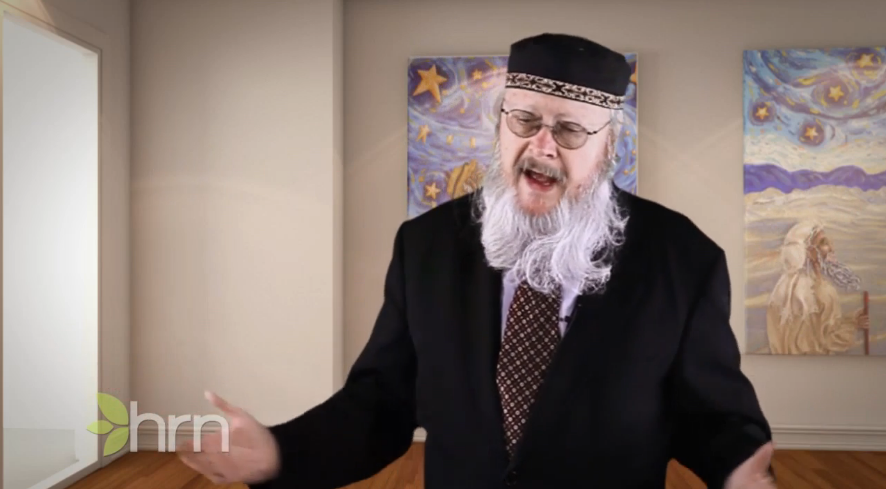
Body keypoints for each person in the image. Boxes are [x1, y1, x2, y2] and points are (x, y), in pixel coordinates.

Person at [178, 33, 776, 489]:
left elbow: (712, 414)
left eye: (570, 130)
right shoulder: (426, 246)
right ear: (501, 127)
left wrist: (739, 468)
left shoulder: (681, 258)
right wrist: (280, 452)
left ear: (608, 145)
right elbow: (382, 403)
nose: (542, 145)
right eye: (525, 120)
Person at [767, 220, 870, 354]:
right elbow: (829, 340)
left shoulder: (781, 288)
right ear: (809, 251)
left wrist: (851, 320)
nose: (831, 249)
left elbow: (814, 332)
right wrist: (854, 324)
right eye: (823, 243)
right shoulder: (821, 291)